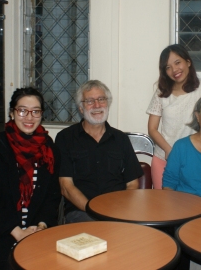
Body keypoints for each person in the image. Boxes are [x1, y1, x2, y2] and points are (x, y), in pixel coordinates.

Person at [0, 87, 61, 270]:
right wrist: (18, 232)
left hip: (36, 231)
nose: (29, 117)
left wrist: (42, 227)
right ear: (12, 113)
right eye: (22, 110)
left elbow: (52, 196)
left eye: (35, 111)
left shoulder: (48, 148)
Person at [56, 80, 143, 223]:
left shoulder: (121, 139)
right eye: (89, 101)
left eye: (101, 99)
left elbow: (132, 184)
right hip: (81, 212)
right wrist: (92, 210)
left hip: (118, 212)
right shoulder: (65, 138)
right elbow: (66, 186)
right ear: (81, 108)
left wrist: (121, 210)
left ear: (107, 104)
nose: (97, 105)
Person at [147, 44, 201, 189]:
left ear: (188, 62)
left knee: (191, 206)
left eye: (177, 63)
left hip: (194, 159)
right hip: (164, 158)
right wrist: (169, 151)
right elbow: (152, 128)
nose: (174, 70)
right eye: (168, 67)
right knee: (164, 207)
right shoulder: (161, 93)